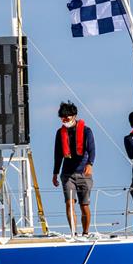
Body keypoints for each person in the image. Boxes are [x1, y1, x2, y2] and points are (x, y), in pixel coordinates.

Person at [52, 101, 95, 236]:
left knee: (84, 206)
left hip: (83, 173)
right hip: (67, 174)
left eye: (67, 118)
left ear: (74, 116)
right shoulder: (60, 133)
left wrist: (90, 164)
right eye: (62, 118)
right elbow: (58, 154)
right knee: (69, 203)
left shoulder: (86, 131)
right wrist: (55, 172)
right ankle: (74, 233)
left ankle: (85, 232)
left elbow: (92, 149)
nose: (65, 120)